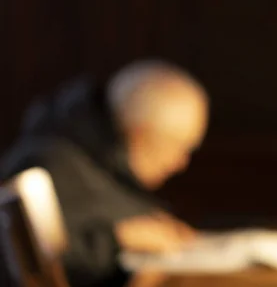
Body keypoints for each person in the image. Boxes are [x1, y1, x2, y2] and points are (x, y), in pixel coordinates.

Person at [0, 60, 210, 287]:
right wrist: (117, 239)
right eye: (178, 147)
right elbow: (24, 257)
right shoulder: (49, 163)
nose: (180, 163)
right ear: (141, 134)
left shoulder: (100, 157)